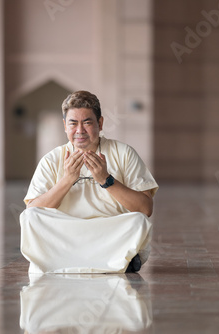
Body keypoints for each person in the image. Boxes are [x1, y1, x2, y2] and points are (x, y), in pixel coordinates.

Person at [20, 90, 159, 273]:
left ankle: (65, 261)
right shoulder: (52, 159)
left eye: (87, 122)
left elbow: (145, 209)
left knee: (137, 221)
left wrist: (107, 180)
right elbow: (34, 209)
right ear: (65, 126)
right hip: (67, 234)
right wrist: (67, 180)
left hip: (108, 232)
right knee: (29, 217)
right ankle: (112, 261)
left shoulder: (124, 153)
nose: (80, 131)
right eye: (73, 123)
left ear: (100, 124)